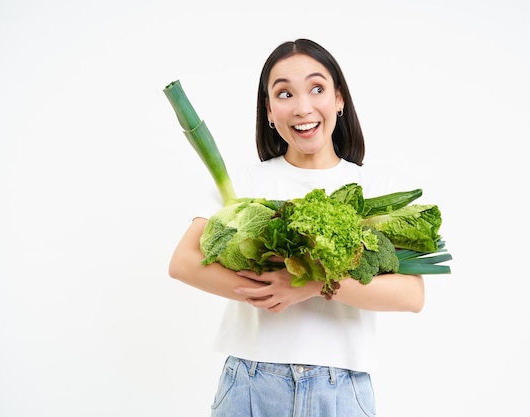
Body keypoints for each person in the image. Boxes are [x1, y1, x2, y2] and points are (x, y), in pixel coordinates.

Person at [168, 38, 425, 417]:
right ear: (269, 111)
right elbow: (183, 263)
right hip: (250, 384)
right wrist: (272, 291)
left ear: (339, 99)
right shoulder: (242, 184)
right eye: (284, 93)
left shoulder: (373, 190)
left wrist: (310, 284)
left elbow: (411, 295)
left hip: (340, 390)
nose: (303, 107)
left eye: (317, 88)